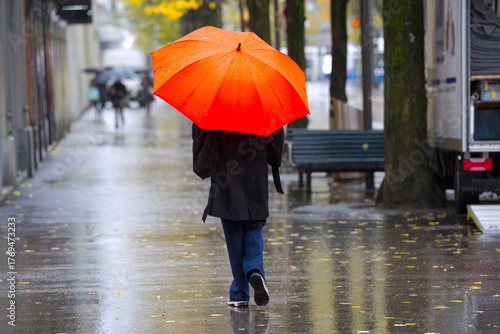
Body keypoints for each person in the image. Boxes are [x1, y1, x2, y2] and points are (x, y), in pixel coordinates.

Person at [192, 124, 285, 307]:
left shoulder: (217, 110)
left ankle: (240, 293)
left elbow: (205, 145)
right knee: (254, 229)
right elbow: (275, 144)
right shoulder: (263, 107)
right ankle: (254, 269)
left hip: (227, 178)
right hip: (255, 177)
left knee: (233, 236)